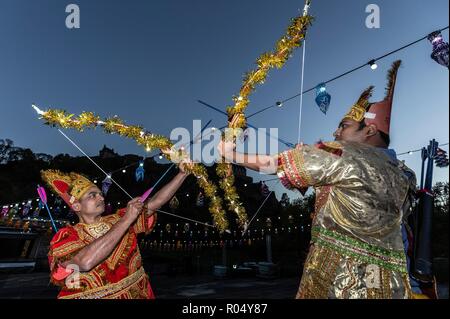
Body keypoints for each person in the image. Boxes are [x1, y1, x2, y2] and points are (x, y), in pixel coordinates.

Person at [218, 60, 418, 299]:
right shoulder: (403, 172)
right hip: (392, 282)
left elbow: (277, 164)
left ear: (370, 131)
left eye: (344, 126)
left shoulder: (344, 154)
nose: (336, 133)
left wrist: (231, 154)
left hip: (341, 280)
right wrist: (313, 162)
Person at [42, 158, 192, 299]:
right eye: (92, 195)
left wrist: (182, 174)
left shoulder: (117, 218)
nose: (101, 198)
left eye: (100, 194)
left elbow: (155, 202)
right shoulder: (67, 235)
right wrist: (127, 219)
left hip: (138, 293)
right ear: (76, 206)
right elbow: (85, 262)